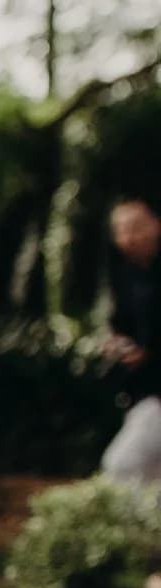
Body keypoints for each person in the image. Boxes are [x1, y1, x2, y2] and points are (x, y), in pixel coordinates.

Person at [101, 196, 161, 481]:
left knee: (121, 465)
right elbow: (120, 326)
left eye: (136, 226)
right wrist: (116, 344)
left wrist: (148, 354)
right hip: (143, 391)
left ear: (156, 225)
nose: (129, 237)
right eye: (121, 230)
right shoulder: (125, 277)